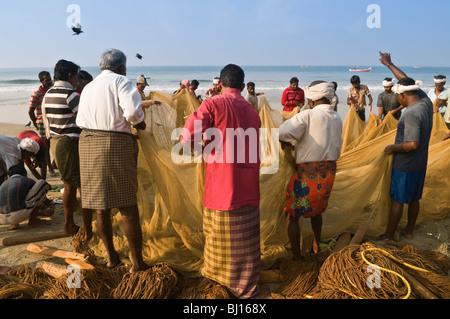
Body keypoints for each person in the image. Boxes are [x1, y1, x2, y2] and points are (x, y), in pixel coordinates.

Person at [181, 64, 267, 299]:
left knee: (220, 237)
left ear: (220, 84)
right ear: (242, 85)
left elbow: (187, 136)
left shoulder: (212, 103)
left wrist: (204, 148)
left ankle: (222, 283)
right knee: (246, 240)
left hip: (221, 184)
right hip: (248, 184)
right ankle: (246, 284)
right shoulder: (251, 111)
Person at [76, 49, 149, 273]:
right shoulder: (122, 82)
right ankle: (137, 263)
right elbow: (132, 113)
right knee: (127, 205)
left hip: (87, 142)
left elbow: (83, 117)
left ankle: (111, 258)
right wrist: (141, 124)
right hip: (113, 143)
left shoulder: (89, 86)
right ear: (121, 67)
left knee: (101, 205)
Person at [279, 81, 343, 262]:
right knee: (317, 211)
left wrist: (292, 142)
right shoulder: (337, 117)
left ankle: (297, 256)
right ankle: (316, 245)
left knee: (292, 214)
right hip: (329, 170)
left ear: (312, 99)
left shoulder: (307, 115)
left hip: (308, 171)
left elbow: (283, 132)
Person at [378, 52, 433, 241]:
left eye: (397, 96)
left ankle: (388, 235)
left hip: (406, 165)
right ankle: (409, 231)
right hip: (420, 164)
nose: (397, 99)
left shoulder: (410, 114)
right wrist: (389, 64)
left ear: (402, 95)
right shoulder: (425, 102)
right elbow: (405, 80)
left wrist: (393, 148)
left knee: (398, 201)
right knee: (414, 199)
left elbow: (411, 144)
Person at [41, 59, 86, 235]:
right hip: (69, 142)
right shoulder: (70, 95)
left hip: (56, 141)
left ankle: (73, 222)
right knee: (76, 184)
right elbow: (84, 119)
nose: (78, 80)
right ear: (70, 75)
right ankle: (75, 224)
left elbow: (46, 123)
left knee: (69, 183)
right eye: (76, 76)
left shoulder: (49, 94)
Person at [0, 164, 51, 230]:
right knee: (42, 183)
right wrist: (48, 204)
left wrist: (42, 213)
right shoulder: (25, 179)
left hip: (2, 218)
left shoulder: (3, 184)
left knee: (12, 199)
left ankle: (14, 224)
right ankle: (33, 221)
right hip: (18, 215)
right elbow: (38, 194)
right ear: (25, 174)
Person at [28, 71, 56, 177]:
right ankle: (50, 167)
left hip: (54, 120)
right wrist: (35, 122)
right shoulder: (37, 94)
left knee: (56, 143)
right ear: (41, 81)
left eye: (50, 79)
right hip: (42, 122)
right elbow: (30, 111)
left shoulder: (53, 89)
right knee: (46, 146)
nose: (50, 81)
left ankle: (54, 163)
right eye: (47, 80)